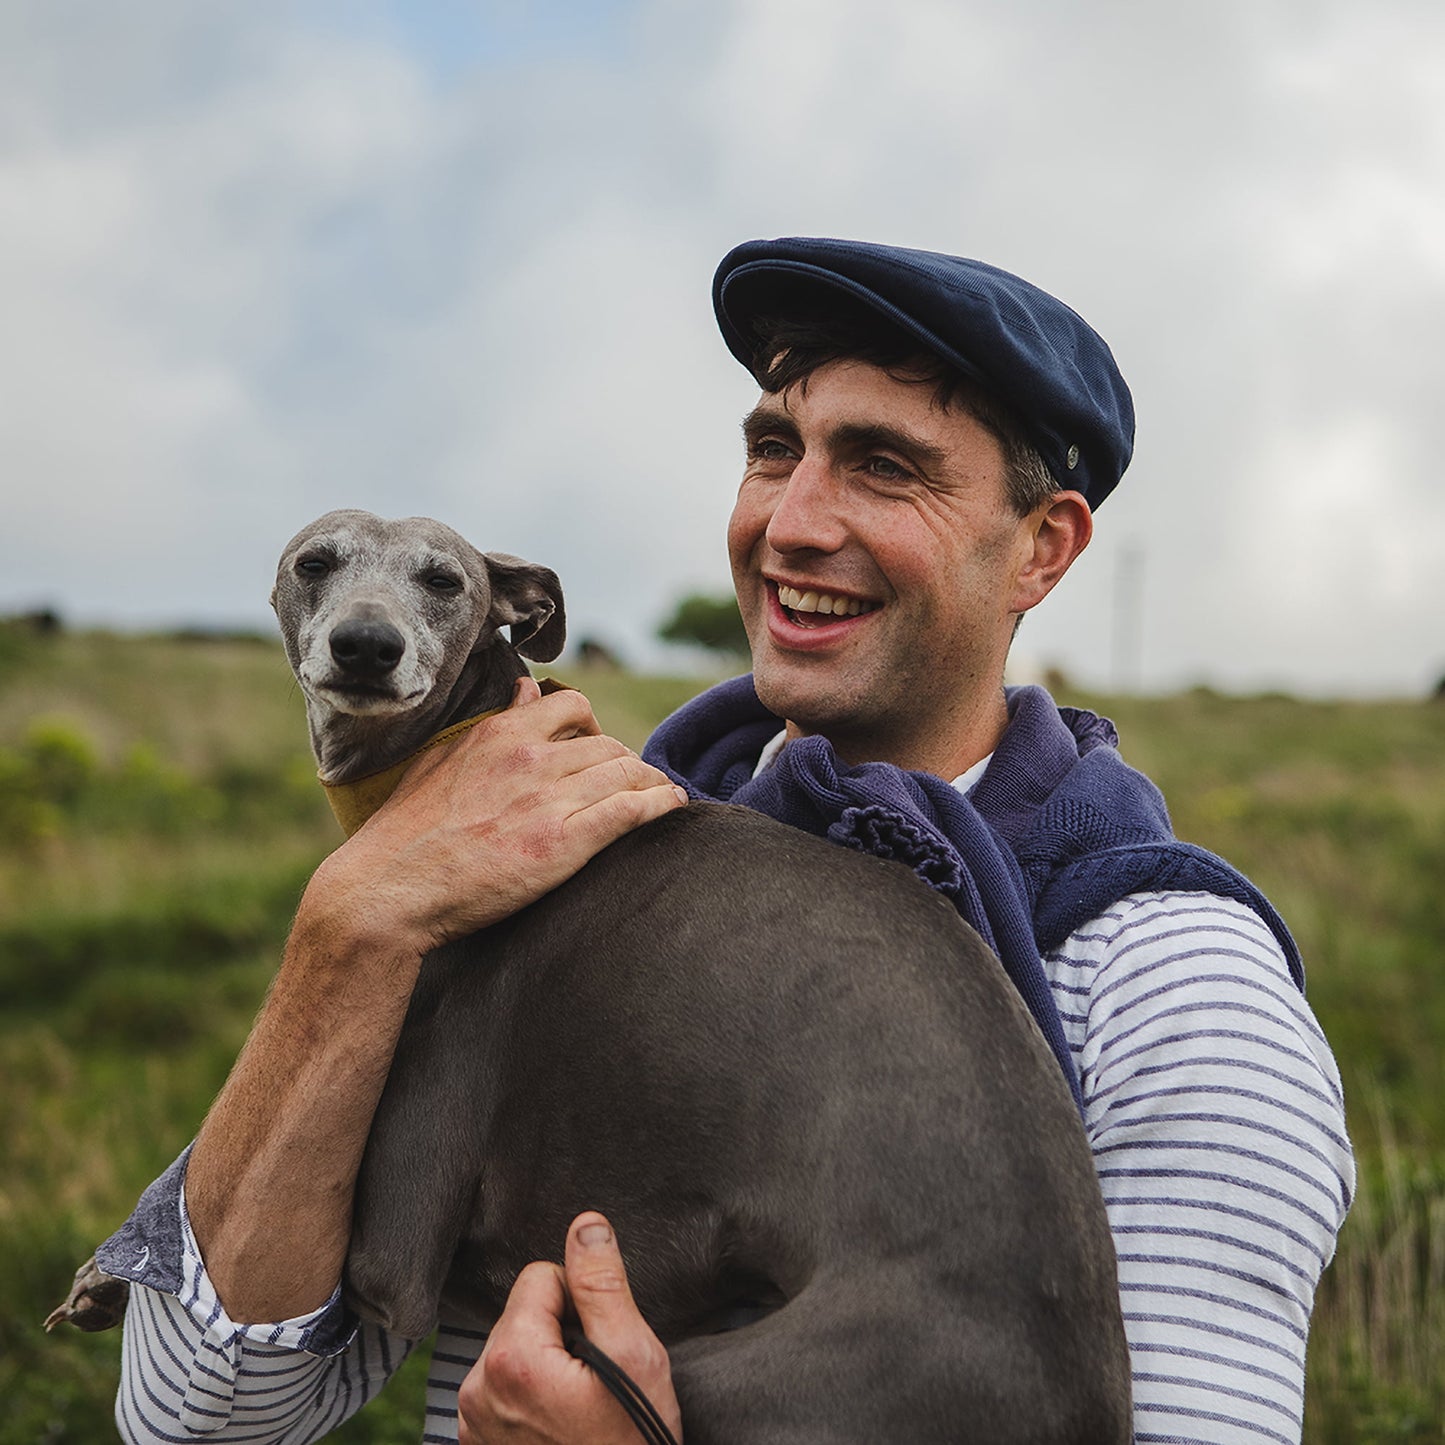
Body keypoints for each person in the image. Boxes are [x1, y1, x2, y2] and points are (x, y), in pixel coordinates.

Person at [104, 238, 1353, 1445]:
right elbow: (194, 1414)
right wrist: (354, 921)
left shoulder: (1177, 994)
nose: (792, 522)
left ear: (1042, 546)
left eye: (882, 467)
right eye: (771, 450)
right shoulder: (540, 867)